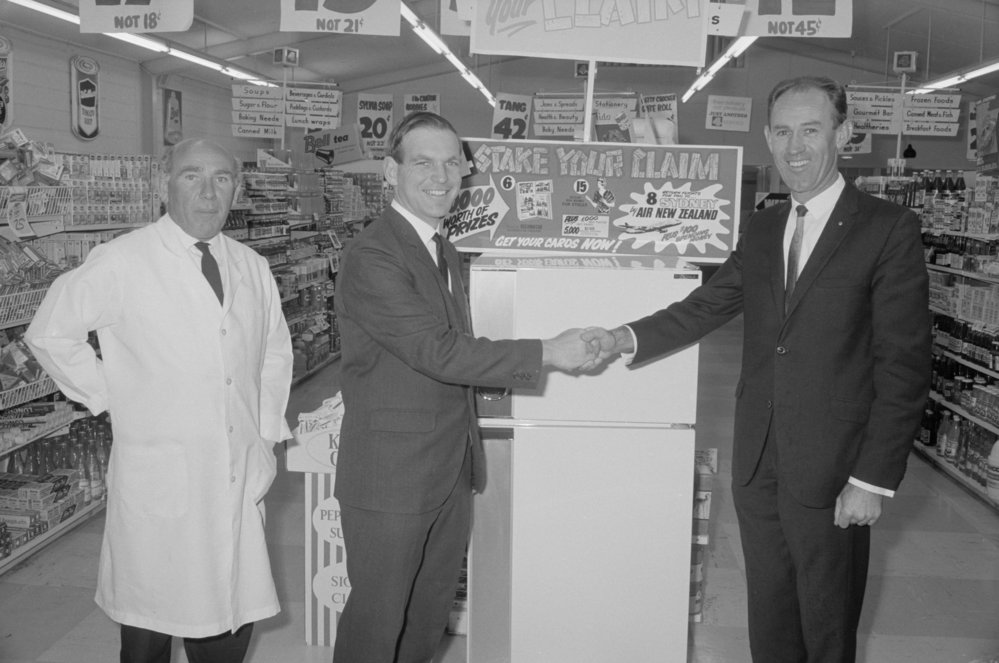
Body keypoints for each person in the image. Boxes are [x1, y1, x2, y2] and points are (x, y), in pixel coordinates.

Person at [583, 76, 931, 663]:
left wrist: (872, 479)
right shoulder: (766, 227)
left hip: (833, 468)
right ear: (768, 138)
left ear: (843, 134)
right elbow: (707, 305)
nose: (796, 147)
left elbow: (904, 365)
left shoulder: (887, 228)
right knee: (770, 616)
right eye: (783, 132)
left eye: (811, 130)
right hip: (758, 461)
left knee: (826, 623)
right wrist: (623, 336)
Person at [331, 111, 599, 663]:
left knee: (426, 618)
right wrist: (547, 352)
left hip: (447, 469)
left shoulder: (442, 247)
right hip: (392, 478)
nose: (441, 176)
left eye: (452, 163)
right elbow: (437, 350)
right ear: (391, 172)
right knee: (377, 626)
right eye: (423, 163)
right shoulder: (373, 254)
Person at [25, 138, 294, 663]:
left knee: (229, 620)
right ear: (162, 185)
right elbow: (50, 333)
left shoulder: (251, 265)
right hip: (161, 475)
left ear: (237, 190)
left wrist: (264, 436)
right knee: (150, 628)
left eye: (221, 178)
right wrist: (112, 396)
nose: (208, 191)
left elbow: (274, 355)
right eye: (192, 175)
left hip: (239, 470)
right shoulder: (123, 259)